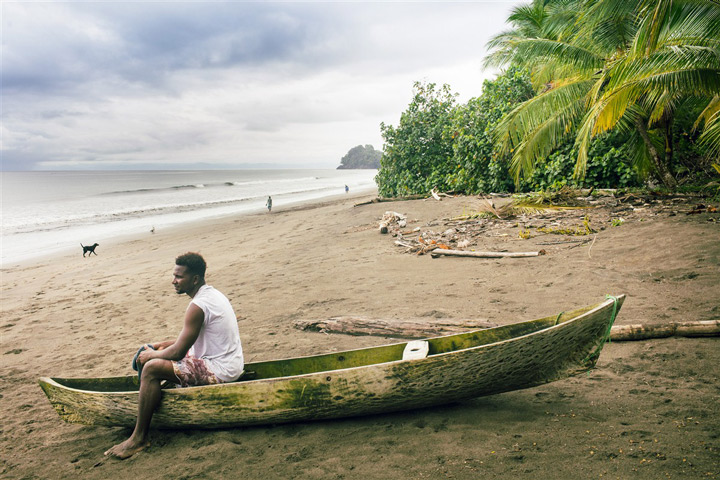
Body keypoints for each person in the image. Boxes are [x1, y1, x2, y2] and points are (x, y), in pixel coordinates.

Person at [104, 252, 243, 459]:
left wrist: (151, 356)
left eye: (179, 277)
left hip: (220, 369)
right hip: (227, 362)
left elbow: (178, 351)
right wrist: (159, 347)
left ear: (194, 279)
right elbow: (188, 340)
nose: (173, 281)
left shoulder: (198, 306)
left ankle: (138, 438)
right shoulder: (211, 295)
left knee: (151, 368)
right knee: (158, 353)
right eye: (174, 275)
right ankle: (151, 393)